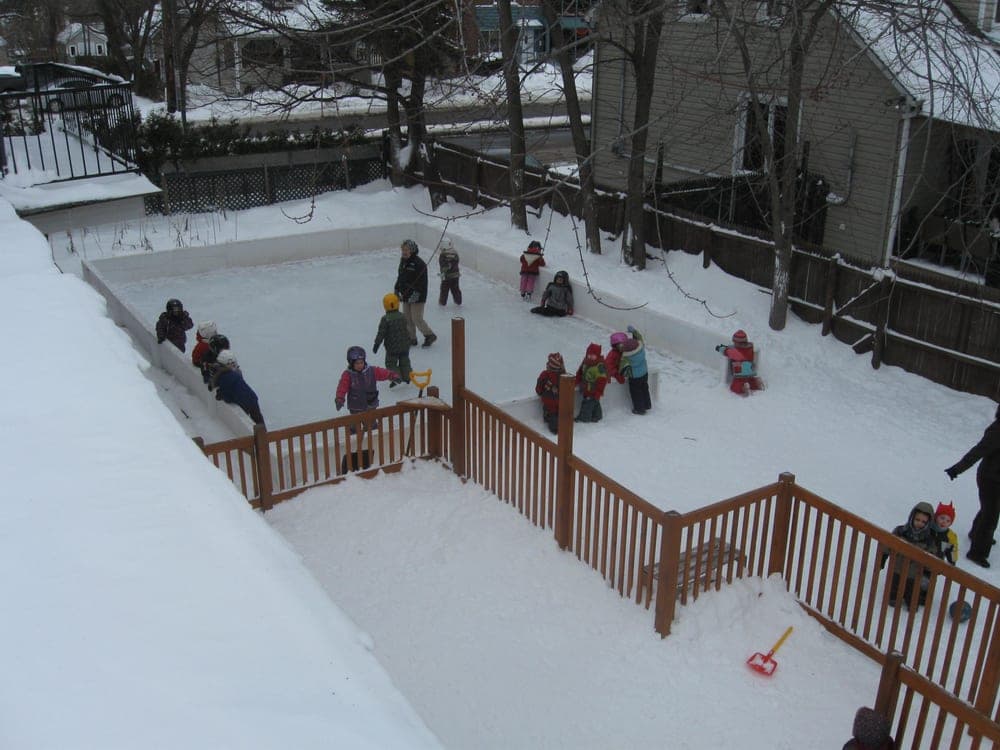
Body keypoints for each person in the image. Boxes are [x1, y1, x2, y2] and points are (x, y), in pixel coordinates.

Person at [946, 403, 1000, 568]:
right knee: (991, 516)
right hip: (991, 479)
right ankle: (977, 553)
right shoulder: (997, 431)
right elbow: (978, 451)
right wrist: (957, 469)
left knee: (989, 508)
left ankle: (976, 534)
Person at [879, 501, 941, 607]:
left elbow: (932, 556)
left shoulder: (928, 539)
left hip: (914, 573)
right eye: (917, 520)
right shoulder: (901, 531)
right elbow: (888, 544)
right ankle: (894, 597)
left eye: (923, 522)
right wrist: (883, 558)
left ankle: (912, 601)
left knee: (911, 591)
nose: (919, 523)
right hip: (897, 567)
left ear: (928, 523)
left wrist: (929, 571)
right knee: (895, 587)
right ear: (912, 517)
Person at [334, 346, 401, 424]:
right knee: (355, 425)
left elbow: (382, 373)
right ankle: (354, 433)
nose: (360, 365)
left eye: (361, 362)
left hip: (371, 404)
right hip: (355, 406)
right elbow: (342, 387)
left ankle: (372, 431)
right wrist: (340, 399)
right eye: (357, 363)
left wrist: (392, 376)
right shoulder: (348, 375)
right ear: (351, 363)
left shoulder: (371, 370)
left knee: (371, 424)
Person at [394, 238, 437, 348]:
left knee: (416, 318)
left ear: (412, 250)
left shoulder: (419, 264)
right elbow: (400, 277)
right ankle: (411, 338)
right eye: (403, 249)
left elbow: (422, 283)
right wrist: (397, 289)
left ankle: (429, 335)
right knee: (407, 318)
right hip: (405, 294)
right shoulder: (403, 261)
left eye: (406, 250)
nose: (404, 252)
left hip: (417, 296)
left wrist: (416, 294)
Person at [212, 350, 265, 427]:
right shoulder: (235, 374)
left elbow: (228, 396)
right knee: (258, 419)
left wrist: (220, 394)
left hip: (244, 402)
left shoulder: (224, 377)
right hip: (252, 398)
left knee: (248, 423)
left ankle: (258, 436)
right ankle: (265, 435)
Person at [607, 325, 652, 415]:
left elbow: (616, 367)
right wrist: (634, 331)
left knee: (636, 392)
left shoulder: (626, 356)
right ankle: (647, 405)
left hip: (635, 377)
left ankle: (639, 409)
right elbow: (639, 338)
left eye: (622, 345)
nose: (621, 348)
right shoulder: (640, 348)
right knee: (644, 388)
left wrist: (618, 375)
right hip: (644, 373)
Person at [373, 293, 412, 386]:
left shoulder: (385, 319)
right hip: (404, 345)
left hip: (392, 348)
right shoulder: (402, 316)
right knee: (405, 361)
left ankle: (396, 378)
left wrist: (376, 344)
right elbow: (406, 330)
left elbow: (381, 333)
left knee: (391, 363)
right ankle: (407, 377)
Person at [715, 329, 763, 395]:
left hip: (740, 372)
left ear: (737, 342)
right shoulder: (750, 347)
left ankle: (743, 387)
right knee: (750, 380)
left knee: (735, 386)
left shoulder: (735, 351)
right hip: (751, 370)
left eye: (734, 342)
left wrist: (720, 348)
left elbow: (727, 351)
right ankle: (756, 383)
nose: (734, 344)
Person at [574, 343, 608, 423]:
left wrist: (598, 392)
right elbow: (580, 372)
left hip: (593, 390)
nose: (590, 357)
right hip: (586, 388)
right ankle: (597, 416)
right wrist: (576, 381)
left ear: (597, 356)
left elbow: (602, 381)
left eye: (593, 356)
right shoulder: (585, 362)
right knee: (595, 403)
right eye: (589, 355)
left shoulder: (599, 367)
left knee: (587, 404)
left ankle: (584, 418)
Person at [535, 352, 566, 435]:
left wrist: (540, 392)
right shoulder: (563, 375)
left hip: (549, 402)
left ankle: (554, 427)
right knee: (559, 413)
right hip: (561, 402)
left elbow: (539, 387)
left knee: (551, 413)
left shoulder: (545, 375)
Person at [438, 238, 462, 306]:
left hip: (446, 276)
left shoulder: (443, 255)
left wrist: (442, 275)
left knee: (444, 289)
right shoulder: (455, 253)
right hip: (455, 275)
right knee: (455, 288)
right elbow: (456, 262)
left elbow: (442, 266)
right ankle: (458, 301)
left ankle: (442, 302)